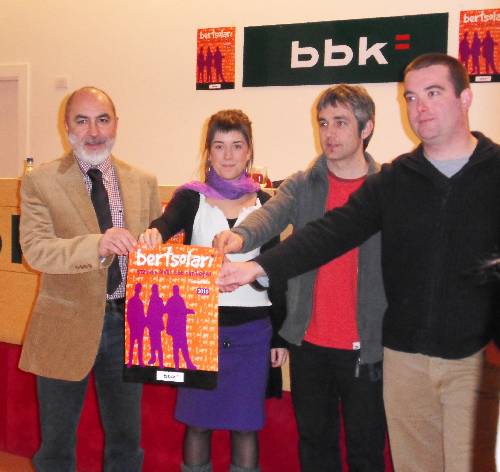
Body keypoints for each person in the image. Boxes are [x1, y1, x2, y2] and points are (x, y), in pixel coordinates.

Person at [216, 53, 500, 471]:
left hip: (468, 359)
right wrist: (254, 264)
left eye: (433, 93)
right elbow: (328, 232)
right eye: (411, 97)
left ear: (465, 98)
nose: (419, 107)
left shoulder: (490, 172)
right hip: (401, 357)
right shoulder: (395, 180)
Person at [214, 85, 387, 471]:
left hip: (367, 347)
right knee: (315, 446)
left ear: (367, 128)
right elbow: (268, 215)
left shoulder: (386, 188)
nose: (329, 133)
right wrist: (240, 236)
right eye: (323, 123)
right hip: (309, 344)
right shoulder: (303, 184)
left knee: (366, 451)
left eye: (340, 123)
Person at [19, 86, 161, 472]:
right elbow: (36, 250)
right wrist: (97, 245)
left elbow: (157, 250)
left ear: (116, 124)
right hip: (64, 325)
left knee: (126, 444)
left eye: (103, 120)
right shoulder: (40, 181)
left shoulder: (143, 181)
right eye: (82, 121)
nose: (94, 131)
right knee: (56, 449)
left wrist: (160, 245)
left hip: (128, 325)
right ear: (66, 127)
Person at [139, 109, 288, 472]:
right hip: (198, 331)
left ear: (249, 151)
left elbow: (279, 271)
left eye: (237, 145)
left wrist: (279, 337)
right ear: (208, 152)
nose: (228, 155)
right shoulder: (191, 199)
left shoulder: (266, 204)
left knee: (245, 427)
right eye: (219, 146)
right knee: (197, 423)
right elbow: (166, 223)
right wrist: (154, 233)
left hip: (253, 332)